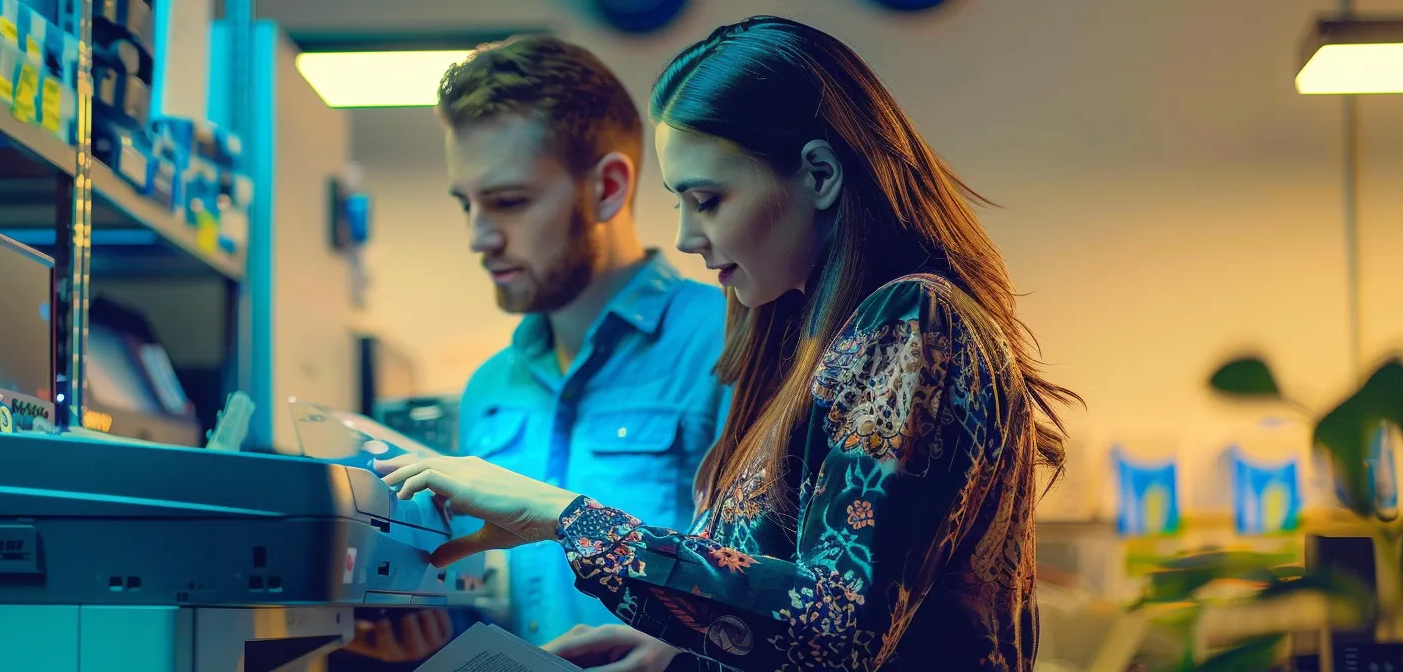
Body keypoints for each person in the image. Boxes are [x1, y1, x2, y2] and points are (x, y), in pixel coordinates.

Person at [377, 15, 1080, 672]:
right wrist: (678, 651)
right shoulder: (813, 341)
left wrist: (563, 518)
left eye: (707, 200)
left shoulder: (911, 316)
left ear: (820, 175)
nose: (685, 236)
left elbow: (837, 632)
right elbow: (793, 609)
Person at [340, 35, 732, 666]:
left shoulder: (733, 342)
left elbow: (789, 592)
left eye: (508, 201)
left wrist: (679, 648)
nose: (478, 237)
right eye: (466, 203)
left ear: (606, 188)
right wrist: (431, 629)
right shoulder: (488, 390)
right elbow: (494, 597)